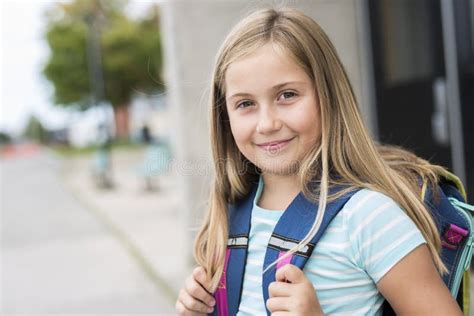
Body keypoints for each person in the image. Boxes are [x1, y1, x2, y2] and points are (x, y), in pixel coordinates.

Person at [175, 7, 463, 315]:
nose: (267, 123)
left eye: (286, 95)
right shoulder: (229, 211)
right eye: (245, 103)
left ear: (328, 96)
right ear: (224, 115)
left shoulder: (369, 217)